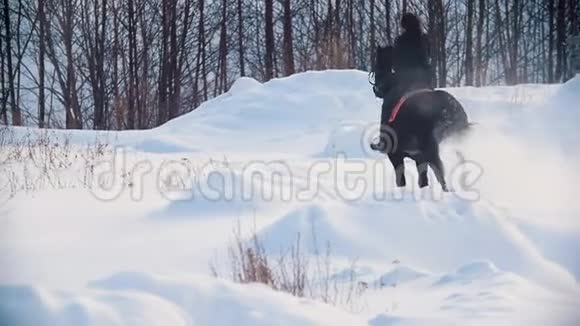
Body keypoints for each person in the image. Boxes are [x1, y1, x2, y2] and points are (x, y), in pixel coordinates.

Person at [373, 13, 432, 152]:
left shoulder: (400, 40)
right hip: (425, 82)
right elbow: (427, 58)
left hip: (407, 82)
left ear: (404, 25)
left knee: (387, 104)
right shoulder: (424, 39)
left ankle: (384, 139)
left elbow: (398, 62)